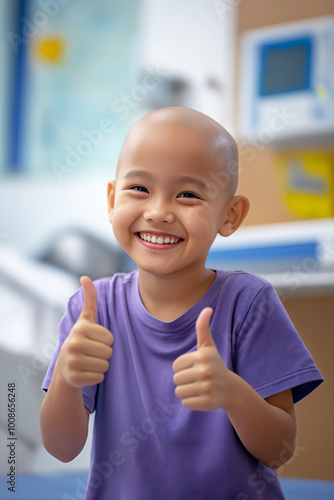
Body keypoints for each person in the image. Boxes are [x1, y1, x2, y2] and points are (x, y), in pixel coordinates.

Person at [40, 107, 323, 500]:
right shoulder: (91, 310)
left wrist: (233, 394)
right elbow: (62, 447)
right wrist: (67, 379)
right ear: (111, 198)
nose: (158, 212)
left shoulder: (249, 304)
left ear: (230, 215)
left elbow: (279, 451)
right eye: (139, 188)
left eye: (188, 194)